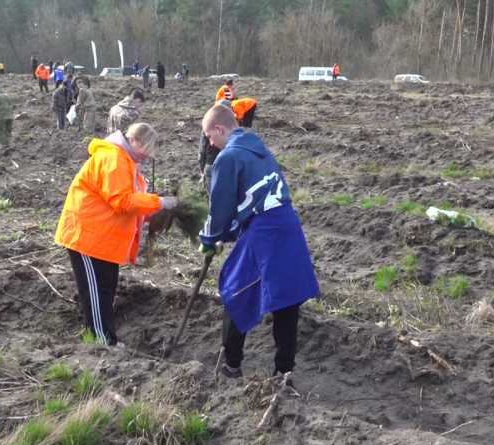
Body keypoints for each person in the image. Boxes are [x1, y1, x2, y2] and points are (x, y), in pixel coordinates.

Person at [199, 104, 319, 379]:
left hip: (265, 234)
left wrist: (210, 238)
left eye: (209, 135)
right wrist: (228, 234)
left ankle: (231, 366)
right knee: (287, 301)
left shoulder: (228, 158)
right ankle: (284, 372)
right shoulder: (259, 149)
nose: (209, 142)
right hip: (288, 227)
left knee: (235, 292)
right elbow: (254, 200)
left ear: (219, 129)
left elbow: (221, 209)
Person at [54, 123, 179, 345]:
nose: (147, 157)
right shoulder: (113, 159)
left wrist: (153, 211)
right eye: (146, 150)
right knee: (96, 293)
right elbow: (122, 201)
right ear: (135, 141)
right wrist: (159, 202)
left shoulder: (125, 162)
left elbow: (129, 203)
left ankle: (102, 338)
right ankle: (102, 343)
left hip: (102, 239)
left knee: (106, 289)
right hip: (86, 237)